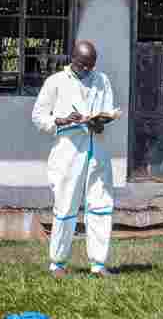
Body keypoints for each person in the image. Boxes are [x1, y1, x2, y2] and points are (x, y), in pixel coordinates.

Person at [31, 40, 121, 278]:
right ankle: (58, 263)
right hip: (68, 152)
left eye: (92, 66)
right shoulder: (56, 82)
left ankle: (98, 264)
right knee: (65, 205)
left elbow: (107, 109)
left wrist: (101, 121)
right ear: (73, 60)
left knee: (101, 204)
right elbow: (39, 116)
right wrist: (59, 120)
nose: (88, 70)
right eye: (84, 65)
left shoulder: (102, 80)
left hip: (96, 149)